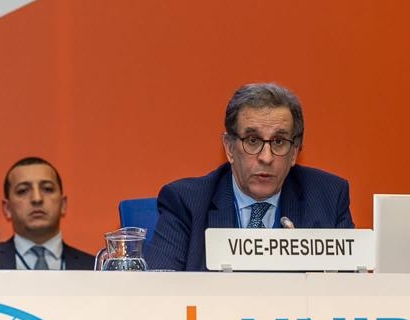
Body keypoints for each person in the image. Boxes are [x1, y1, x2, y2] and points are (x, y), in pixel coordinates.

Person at [146, 82, 354, 271]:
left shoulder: (329, 198)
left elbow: (351, 290)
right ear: (229, 148)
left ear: (294, 152)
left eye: (279, 142)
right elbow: (159, 290)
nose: (266, 157)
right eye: (253, 140)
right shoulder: (187, 203)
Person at [0, 156, 95, 270]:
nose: (37, 199)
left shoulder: (95, 269)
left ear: (63, 204)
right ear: (7, 208)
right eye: (23, 190)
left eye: (47, 189)